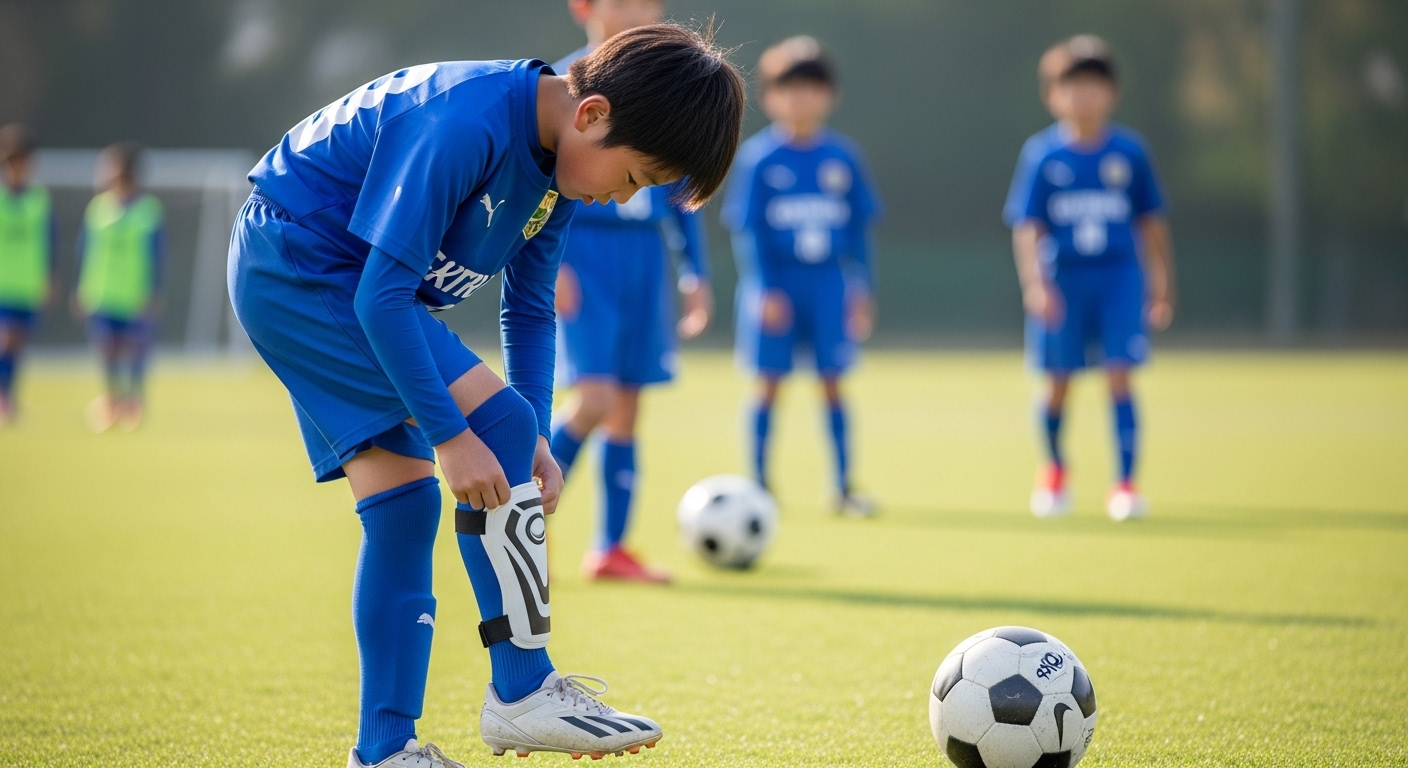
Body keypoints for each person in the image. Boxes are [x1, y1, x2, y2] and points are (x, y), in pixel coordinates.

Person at [227, 24, 743, 766]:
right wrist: (454, 435)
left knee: (407, 510)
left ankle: (386, 751)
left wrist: (528, 440)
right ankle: (523, 691)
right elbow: (382, 296)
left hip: (338, 280)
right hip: (302, 268)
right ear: (593, 114)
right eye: (631, 179)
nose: (617, 197)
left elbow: (529, 308)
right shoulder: (465, 121)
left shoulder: (559, 164)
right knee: (487, 422)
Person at [549, 0, 713, 584]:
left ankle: (610, 548)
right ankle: (519, 515)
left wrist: (695, 273)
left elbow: (683, 193)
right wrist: (551, 263)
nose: (637, 10)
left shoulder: (667, 90)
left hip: (644, 256)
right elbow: (544, 176)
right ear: (585, 7)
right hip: (584, 251)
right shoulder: (566, 85)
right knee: (592, 399)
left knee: (627, 405)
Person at [1006, 39, 1176, 521]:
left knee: (1120, 374)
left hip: (1120, 275)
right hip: (1064, 278)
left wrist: (1162, 279)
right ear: (1052, 95)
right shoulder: (1041, 155)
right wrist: (1035, 284)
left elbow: (1152, 222)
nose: (1083, 96)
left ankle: (1124, 483)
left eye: (1092, 86)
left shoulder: (1129, 152)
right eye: (1071, 87)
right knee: (1058, 381)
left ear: (1111, 93)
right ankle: (1055, 469)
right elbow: (1028, 226)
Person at [722, 36, 882, 517]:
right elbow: (747, 230)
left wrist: (863, 289)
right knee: (768, 383)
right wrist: (765, 287)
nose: (800, 99)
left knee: (833, 381)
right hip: (778, 285)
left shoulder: (844, 158)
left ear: (829, 95)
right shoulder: (759, 159)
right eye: (789, 88)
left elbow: (859, 231)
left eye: (812, 88)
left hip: (829, 283)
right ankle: (759, 483)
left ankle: (842, 486)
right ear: (769, 97)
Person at [75, 142, 164, 433]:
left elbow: (158, 254)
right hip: (102, 293)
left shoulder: (148, 210)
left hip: (134, 294)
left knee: (136, 350)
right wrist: (82, 288)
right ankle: (112, 403)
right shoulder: (98, 208)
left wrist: (154, 290)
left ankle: (134, 403)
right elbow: (86, 251)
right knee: (107, 349)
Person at [0, 124, 56, 427]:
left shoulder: (38, 200)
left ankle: (9, 396)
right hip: (2, 284)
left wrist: (48, 277)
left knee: (17, 344)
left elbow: (49, 241)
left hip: (27, 284)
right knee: (6, 340)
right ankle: (4, 399)